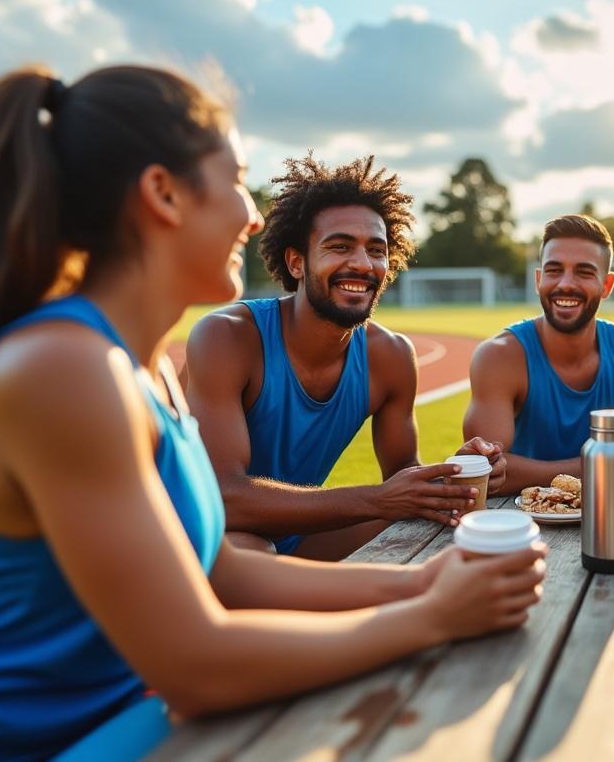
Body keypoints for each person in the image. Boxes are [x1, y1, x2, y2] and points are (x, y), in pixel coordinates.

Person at [0, 65, 544, 762]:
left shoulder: (141, 366)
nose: (252, 213)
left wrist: (420, 581)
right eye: (237, 178)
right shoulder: (65, 370)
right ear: (163, 194)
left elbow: (217, 568)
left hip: (92, 717)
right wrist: (431, 617)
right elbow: (195, 665)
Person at [182, 154, 504, 560]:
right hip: (196, 532)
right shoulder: (228, 336)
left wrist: (453, 477)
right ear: (296, 262)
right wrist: (375, 499)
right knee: (250, 550)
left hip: (295, 531)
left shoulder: (390, 356)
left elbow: (403, 479)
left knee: (426, 524)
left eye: (376, 250)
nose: (362, 264)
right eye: (340, 247)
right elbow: (222, 496)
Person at [464, 214, 614, 495]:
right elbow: (489, 470)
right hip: (521, 519)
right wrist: (607, 467)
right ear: (539, 280)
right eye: (554, 270)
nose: (566, 283)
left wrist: (572, 476)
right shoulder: (499, 356)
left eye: (584, 272)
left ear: (607, 285)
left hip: (612, 515)